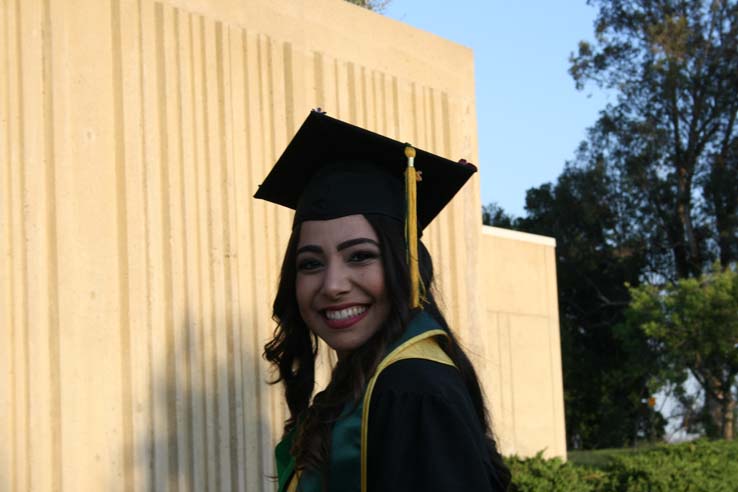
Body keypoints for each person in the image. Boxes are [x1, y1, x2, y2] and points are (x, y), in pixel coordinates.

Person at [255, 110, 511, 492]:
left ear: (404, 265)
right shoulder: (362, 387)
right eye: (310, 263)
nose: (332, 285)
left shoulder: (412, 389)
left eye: (359, 255)